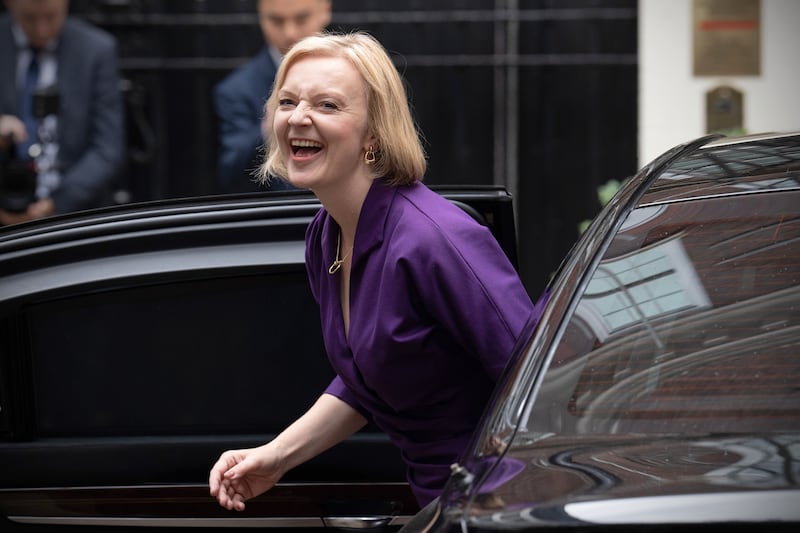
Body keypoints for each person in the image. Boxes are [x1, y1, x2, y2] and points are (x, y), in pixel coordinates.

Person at [208, 32, 536, 512]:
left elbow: (535, 385)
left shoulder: (435, 239)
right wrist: (275, 458)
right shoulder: (326, 235)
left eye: (327, 104)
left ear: (374, 134)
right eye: (288, 101)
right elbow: (366, 380)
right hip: (435, 503)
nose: (299, 117)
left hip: (498, 501)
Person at [0, 0, 124, 225]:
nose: (42, 30)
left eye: (51, 17)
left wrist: (55, 203)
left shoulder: (96, 49)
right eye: (29, 18)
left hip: (74, 216)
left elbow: (107, 149)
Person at [213, 0, 331, 193]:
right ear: (261, 17)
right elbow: (230, 174)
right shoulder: (236, 90)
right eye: (276, 21)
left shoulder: (356, 76)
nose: (290, 33)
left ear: (325, 10)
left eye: (301, 19)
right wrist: (267, 128)